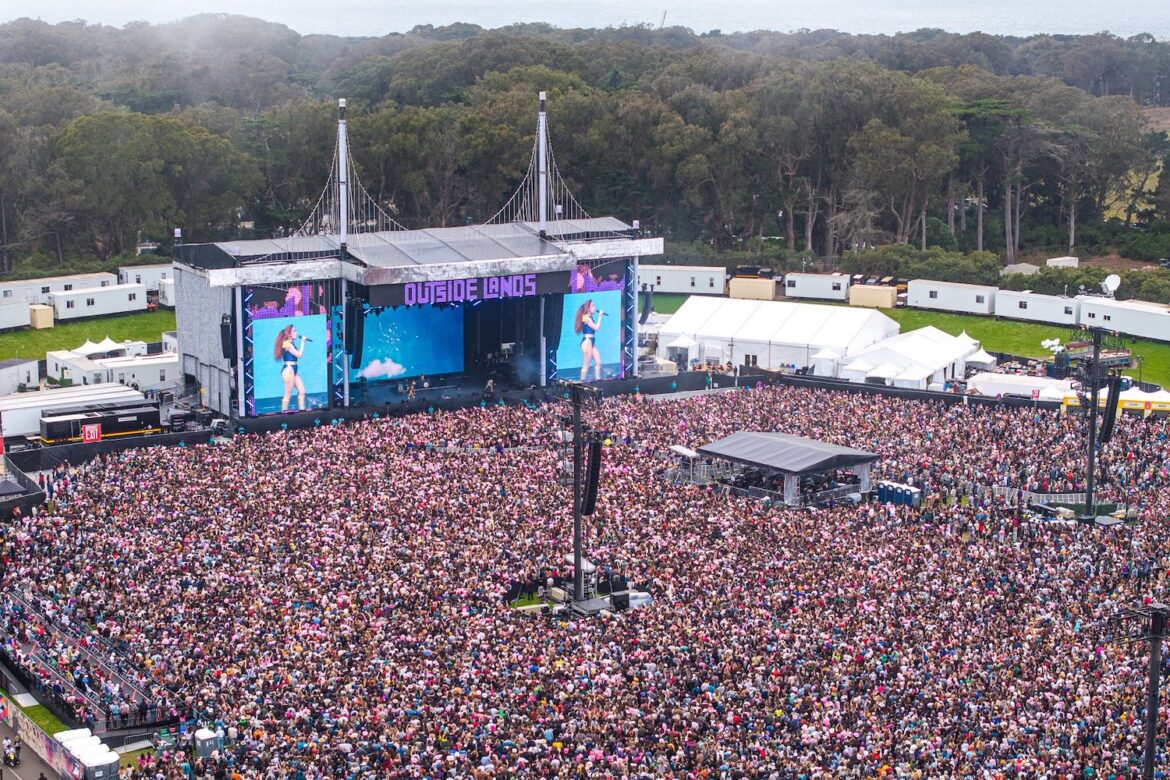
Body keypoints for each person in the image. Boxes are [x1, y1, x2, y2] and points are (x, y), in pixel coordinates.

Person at [274, 324, 308, 412]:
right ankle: (284, 412)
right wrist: (303, 342)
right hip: (289, 370)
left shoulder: (291, 343)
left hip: (294, 369)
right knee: (288, 394)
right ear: (289, 334)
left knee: (302, 391)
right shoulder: (287, 344)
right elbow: (299, 355)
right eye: (294, 331)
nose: (296, 332)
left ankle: (302, 410)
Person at [574, 300, 604, 381]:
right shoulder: (585, 317)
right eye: (592, 305)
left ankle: (598, 379)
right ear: (588, 308)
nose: (594, 307)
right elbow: (596, 328)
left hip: (591, 341)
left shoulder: (589, 317)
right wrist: (600, 316)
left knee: (598, 361)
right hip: (587, 342)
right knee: (586, 365)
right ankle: (582, 381)